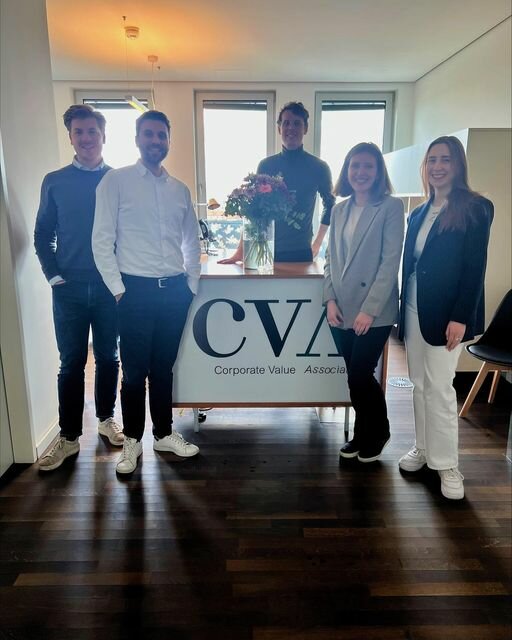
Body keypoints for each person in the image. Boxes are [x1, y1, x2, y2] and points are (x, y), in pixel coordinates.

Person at [92, 110, 201, 474]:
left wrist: (191, 283)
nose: (156, 141)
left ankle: (164, 434)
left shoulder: (179, 189)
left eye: (161, 135)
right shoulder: (116, 181)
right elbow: (101, 239)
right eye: (149, 134)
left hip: (174, 291)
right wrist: (118, 290)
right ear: (137, 139)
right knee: (135, 373)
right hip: (133, 292)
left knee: (164, 369)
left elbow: (191, 240)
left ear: (169, 140)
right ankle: (133, 441)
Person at [397, 135, 493, 500]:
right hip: (414, 309)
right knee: (419, 383)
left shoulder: (476, 208)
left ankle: (447, 464)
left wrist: (460, 317)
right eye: (432, 160)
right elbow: (413, 265)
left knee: (439, 387)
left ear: (458, 165)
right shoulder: (418, 213)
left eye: (446, 159)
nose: (437, 166)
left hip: (447, 316)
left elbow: (474, 268)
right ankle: (423, 448)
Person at [34, 104, 122, 472]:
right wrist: (54, 276)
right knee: (71, 363)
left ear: (103, 136)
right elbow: (42, 234)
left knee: (109, 357)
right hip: (68, 289)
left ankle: (106, 419)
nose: (86, 138)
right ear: (70, 137)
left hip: (108, 288)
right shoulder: (55, 181)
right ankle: (69, 438)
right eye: (79, 132)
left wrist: (122, 281)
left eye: (92, 131)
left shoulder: (117, 180)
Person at [324, 142, 404, 463]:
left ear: (379, 171)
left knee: (360, 374)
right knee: (353, 376)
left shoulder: (391, 207)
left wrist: (369, 310)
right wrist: (329, 299)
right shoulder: (339, 209)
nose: (360, 172)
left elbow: (389, 263)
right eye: (354, 165)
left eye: (368, 166)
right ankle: (361, 434)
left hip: (375, 311)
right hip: (342, 309)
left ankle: (380, 432)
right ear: (346, 170)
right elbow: (330, 259)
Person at [219, 101, 335, 263]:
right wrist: (240, 251)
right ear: (279, 128)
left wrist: (317, 243)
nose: (291, 128)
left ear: (306, 128)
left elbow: (330, 205)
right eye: (286, 123)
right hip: (267, 250)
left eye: (297, 123)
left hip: (301, 252)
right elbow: (254, 209)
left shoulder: (319, 167)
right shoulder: (266, 165)